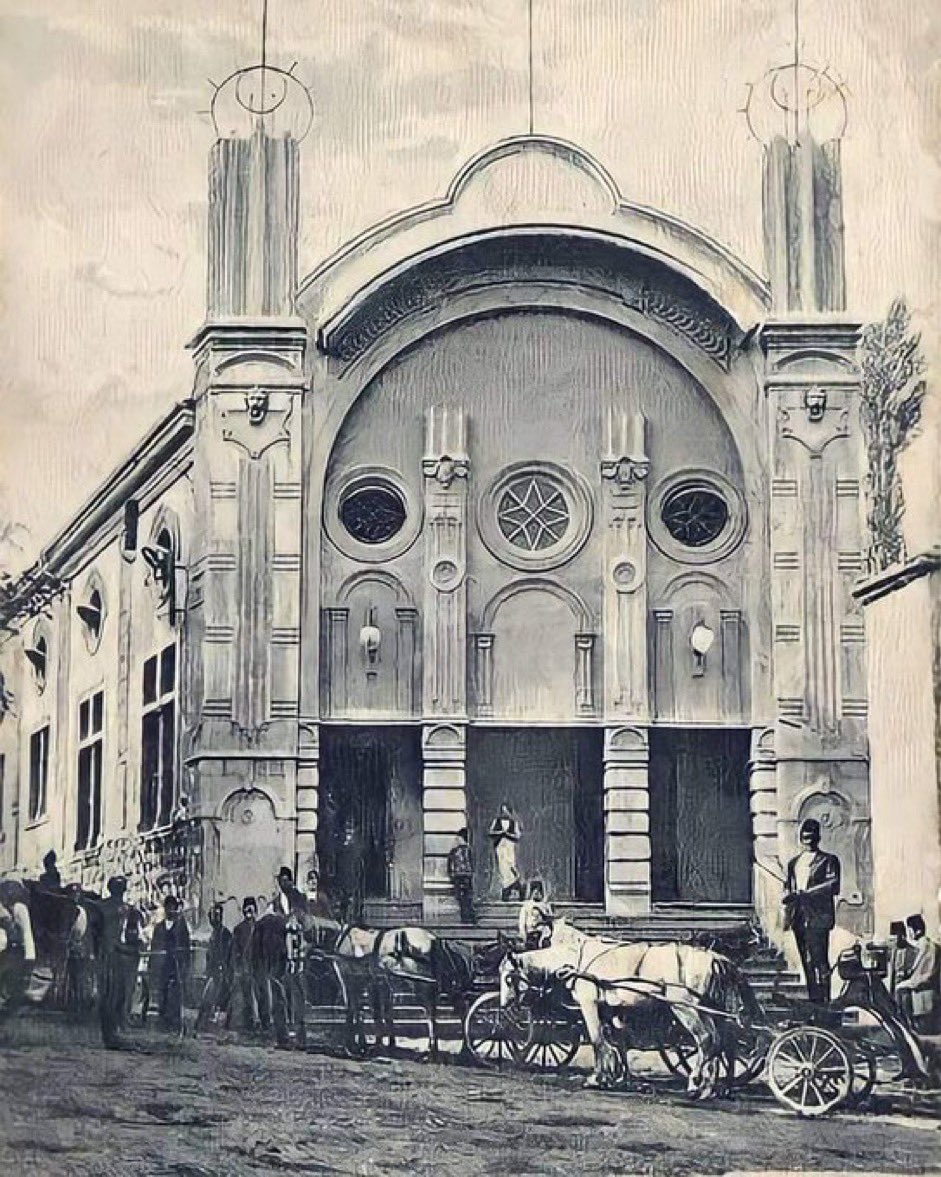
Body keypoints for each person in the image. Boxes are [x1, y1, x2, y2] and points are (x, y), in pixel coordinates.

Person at [782, 818, 841, 1004]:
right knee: (807, 962)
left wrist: (806, 893)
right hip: (799, 918)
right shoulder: (794, 863)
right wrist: (788, 896)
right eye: (805, 836)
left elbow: (833, 885)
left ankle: (825, 1003)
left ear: (818, 837)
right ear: (800, 838)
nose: (808, 840)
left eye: (812, 836)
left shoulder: (828, 860)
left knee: (820, 961)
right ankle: (814, 1002)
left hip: (818, 918)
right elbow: (787, 886)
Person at [149, 895, 191, 1032]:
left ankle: (174, 1023)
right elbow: (154, 946)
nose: (170, 910)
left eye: (173, 908)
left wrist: (185, 966)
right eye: (168, 907)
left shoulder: (181, 927)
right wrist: (153, 964)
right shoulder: (159, 927)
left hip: (176, 964)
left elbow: (186, 947)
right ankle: (163, 1021)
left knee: (175, 993)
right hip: (162, 965)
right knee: (162, 992)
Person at [896, 914, 940, 1033]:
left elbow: (919, 971)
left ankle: (908, 1024)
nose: (908, 934)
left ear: (916, 930)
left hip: (923, 987)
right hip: (924, 986)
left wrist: (903, 982)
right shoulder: (927, 944)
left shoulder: (925, 945)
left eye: (909, 930)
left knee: (898, 988)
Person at [195, 904, 233, 1033]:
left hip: (221, 972)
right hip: (213, 971)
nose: (214, 918)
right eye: (212, 916)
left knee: (216, 999)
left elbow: (227, 954)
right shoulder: (214, 934)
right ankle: (205, 1025)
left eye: (217, 915)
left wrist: (224, 970)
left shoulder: (225, 934)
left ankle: (210, 1026)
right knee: (210, 999)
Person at [0, 879, 36, 1015]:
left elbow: (27, 933)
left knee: (12, 979)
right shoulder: (6, 907)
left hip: (16, 950)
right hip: (8, 949)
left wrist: (29, 956)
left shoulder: (19, 908)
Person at [232, 896, 260, 1031]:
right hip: (244, 966)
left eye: (251, 908)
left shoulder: (260, 928)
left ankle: (258, 1020)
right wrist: (237, 967)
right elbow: (235, 950)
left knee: (258, 993)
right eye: (246, 908)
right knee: (245, 994)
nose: (249, 911)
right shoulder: (238, 929)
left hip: (258, 966)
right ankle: (247, 1022)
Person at [488, 803, 524, 901]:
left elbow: (518, 835)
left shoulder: (514, 823)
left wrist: (509, 834)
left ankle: (514, 886)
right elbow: (491, 832)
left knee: (511, 866)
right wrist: (499, 833)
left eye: (506, 811)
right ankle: (507, 889)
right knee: (503, 868)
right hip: (500, 846)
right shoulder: (496, 821)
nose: (505, 813)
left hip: (510, 846)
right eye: (503, 811)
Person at [446, 828, 476, 924]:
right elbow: (472, 863)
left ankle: (466, 916)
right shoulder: (468, 850)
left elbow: (450, 864)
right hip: (466, 875)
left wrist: (451, 874)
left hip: (458, 876)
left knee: (462, 897)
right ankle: (469, 916)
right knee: (467, 897)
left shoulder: (455, 851)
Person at [518, 879, 554, 949]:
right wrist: (524, 936)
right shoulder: (527, 905)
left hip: (545, 933)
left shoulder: (546, 905)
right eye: (534, 890)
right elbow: (521, 924)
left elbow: (550, 920)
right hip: (532, 933)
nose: (536, 893)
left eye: (538, 890)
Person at [887, 921, 914, 998]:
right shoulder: (893, 952)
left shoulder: (914, 951)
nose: (894, 941)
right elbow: (892, 973)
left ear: (903, 936)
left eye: (896, 937)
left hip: (908, 991)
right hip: (896, 991)